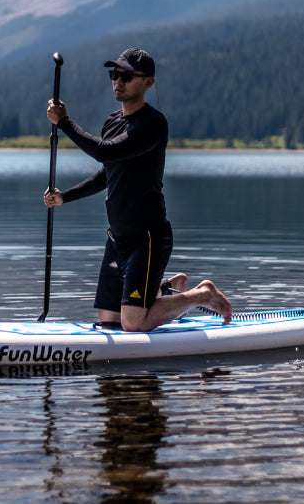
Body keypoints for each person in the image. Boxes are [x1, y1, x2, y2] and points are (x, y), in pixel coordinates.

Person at [44, 47, 232, 332]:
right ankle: (166, 289)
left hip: (147, 239)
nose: (117, 81)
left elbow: (103, 152)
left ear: (148, 83)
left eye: (127, 77)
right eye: (114, 74)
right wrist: (64, 197)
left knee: (132, 323)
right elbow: (109, 172)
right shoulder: (112, 121)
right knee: (108, 323)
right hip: (117, 240)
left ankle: (202, 294)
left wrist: (65, 123)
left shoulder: (153, 124)